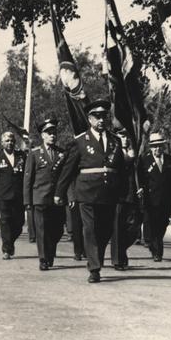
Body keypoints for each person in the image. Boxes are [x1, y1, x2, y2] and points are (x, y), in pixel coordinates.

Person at [55, 99, 126, 283]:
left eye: (104, 116)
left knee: (105, 231)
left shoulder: (115, 141)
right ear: (90, 119)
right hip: (86, 192)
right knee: (90, 229)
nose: (101, 120)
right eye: (97, 116)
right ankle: (94, 268)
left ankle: (97, 260)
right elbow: (68, 170)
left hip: (108, 193)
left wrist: (123, 192)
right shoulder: (80, 141)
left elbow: (121, 170)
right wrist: (59, 192)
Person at [24, 116, 67, 270]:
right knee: (41, 230)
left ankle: (50, 253)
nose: (52, 135)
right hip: (40, 198)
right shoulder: (35, 153)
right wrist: (27, 201)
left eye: (54, 132)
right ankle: (43, 258)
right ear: (42, 135)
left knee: (57, 230)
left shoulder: (62, 153)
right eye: (48, 133)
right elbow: (28, 178)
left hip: (57, 199)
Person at [137, 131, 171, 262]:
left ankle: (154, 244)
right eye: (155, 146)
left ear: (164, 146)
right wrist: (140, 190)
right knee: (152, 224)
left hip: (166, 199)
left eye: (160, 146)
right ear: (151, 147)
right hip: (150, 199)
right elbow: (140, 178)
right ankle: (157, 251)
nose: (157, 148)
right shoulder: (144, 160)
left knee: (162, 225)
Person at [0, 131, 27, 259]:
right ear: (2, 143)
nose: (10, 143)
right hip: (2, 196)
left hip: (19, 196)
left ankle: (10, 242)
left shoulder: (22, 156)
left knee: (19, 223)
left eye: (12, 141)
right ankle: (6, 249)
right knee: (5, 221)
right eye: (7, 141)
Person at [110, 127, 141, 271]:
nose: (125, 138)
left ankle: (121, 251)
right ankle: (118, 259)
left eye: (126, 136)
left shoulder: (133, 152)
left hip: (132, 194)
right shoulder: (113, 152)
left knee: (134, 228)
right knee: (117, 228)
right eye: (122, 136)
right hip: (118, 195)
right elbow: (116, 166)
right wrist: (129, 158)